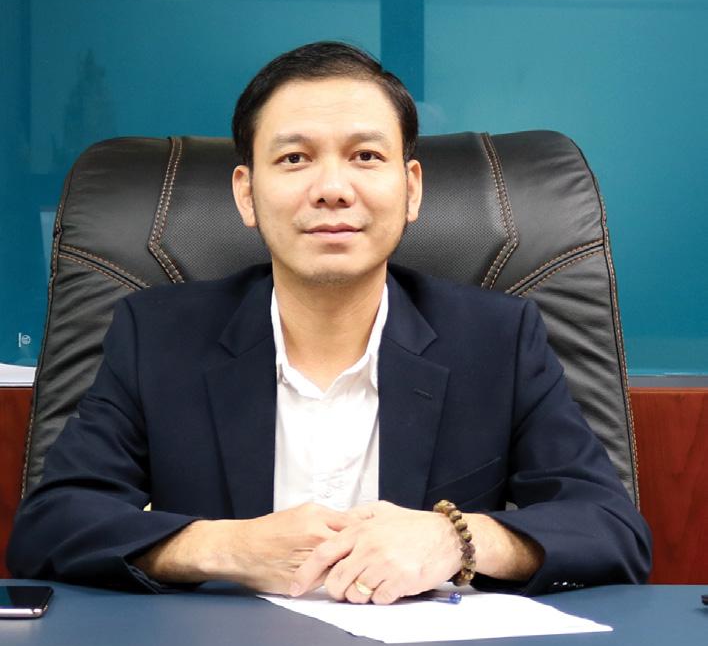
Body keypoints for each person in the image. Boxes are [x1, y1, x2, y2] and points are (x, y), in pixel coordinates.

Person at [8, 42, 651, 603]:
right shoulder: (157, 336)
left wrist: (455, 539)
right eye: (294, 159)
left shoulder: (498, 340)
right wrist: (225, 547)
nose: (332, 188)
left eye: (365, 156)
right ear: (245, 193)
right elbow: (50, 526)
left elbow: (612, 529)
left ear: (412, 188)